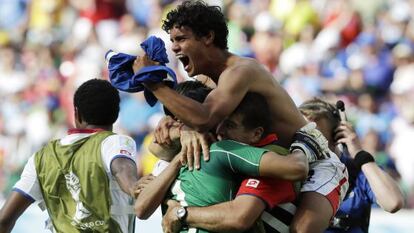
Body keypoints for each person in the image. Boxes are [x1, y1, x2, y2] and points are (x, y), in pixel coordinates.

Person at [131, 1, 345, 232]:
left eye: (181, 39)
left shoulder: (241, 71)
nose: (174, 48)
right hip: (266, 162)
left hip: (316, 162)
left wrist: (154, 85)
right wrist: (183, 129)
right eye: (172, 41)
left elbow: (204, 118)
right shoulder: (204, 84)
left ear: (208, 37)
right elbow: (159, 146)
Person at [136, 90, 327, 233]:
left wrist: (181, 213)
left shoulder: (227, 150)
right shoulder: (185, 153)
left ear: (256, 133)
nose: (220, 130)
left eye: (230, 125)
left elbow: (240, 217)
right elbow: (140, 209)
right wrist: (182, 142)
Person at [0, 79, 139, 233]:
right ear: (116, 114)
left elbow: (4, 220)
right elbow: (121, 168)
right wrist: (133, 186)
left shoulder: (41, 158)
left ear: (77, 114)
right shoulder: (116, 142)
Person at [298, 98, 404, 233]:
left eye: (314, 136)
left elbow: (393, 203)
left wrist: (360, 155)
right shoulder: (295, 168)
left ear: (337, 137)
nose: (304, 142)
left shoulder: (359, 171)